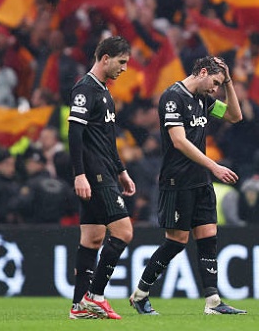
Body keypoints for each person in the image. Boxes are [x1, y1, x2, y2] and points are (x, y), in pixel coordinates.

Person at [129, 55, 246, 315]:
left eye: (219, 85)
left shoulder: (204, 99)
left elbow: (235, 115)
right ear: (202, 72)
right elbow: (179, 141)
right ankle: (140, 294)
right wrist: (214, 166)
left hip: (199, 181)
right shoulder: (173, 97)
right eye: (215, 82)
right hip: (177, 180)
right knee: (176, 241)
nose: (215, 89)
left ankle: (213, 302)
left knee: (208, 237)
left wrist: (228, 81)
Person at [67, 36, 136, 320]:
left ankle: (78, 307)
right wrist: (79, 174)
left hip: (106, 170)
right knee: (124, 232)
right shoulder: (85, 88)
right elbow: (75, 134)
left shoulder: (104, 91)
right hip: (94, 174)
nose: (124, 68)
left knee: (93, 238)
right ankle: (94, 296)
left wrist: (121, 171)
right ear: (105, 58)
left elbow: (107, 139)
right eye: (121, 62)